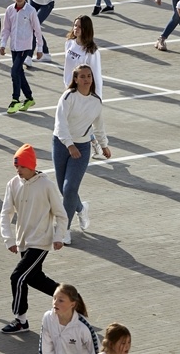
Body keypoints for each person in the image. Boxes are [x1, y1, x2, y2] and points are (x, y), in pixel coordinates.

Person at [0, 143, 68, 334]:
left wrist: (59, 236)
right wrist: (9, 239)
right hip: (23, 241)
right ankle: (71, 299)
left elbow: (61, 214)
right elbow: (5, 214)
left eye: (22, 166)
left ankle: (21, 320)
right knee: (34, 278)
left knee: (18, 277)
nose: (18, 170)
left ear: (31, 165)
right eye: (16, 167)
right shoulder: (13, 184)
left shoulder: (46, 185)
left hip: (40, 241)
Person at [53, 64, 111, 245]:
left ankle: (64, 229)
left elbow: (98, 126)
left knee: (70, 189)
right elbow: (60, 124)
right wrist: (70, 145)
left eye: (89, 76)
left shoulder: (96, 101)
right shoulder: (68, 97)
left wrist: (104, 146)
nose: (86, 79)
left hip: (83, 147)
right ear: (76, 79)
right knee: (64, 189)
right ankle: (81, 208)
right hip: (61, 144)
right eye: (82, 76)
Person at [64, 15, 106, 160]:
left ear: (86, 29)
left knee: (83, 122)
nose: (76, 29)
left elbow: (96, 75)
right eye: (75, 25)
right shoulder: (69, 43)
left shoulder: (92, 52)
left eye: (80, 27)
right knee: (71, 121)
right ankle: (93, 143)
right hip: (70, 90)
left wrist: (97, 96)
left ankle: (96, 144)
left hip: (85, 93)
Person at [0, 0, 44, 114]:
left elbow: (37, 30)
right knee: (19, 72)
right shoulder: (9, 10)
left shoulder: (30, 11)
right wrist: (3, 44)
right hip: (14, 47)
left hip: (25, 46)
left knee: (14, 71)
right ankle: (29, 98)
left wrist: (39, 48)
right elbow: (6, 29)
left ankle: (15, 99)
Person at [39, 283, 99, 353]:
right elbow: (45, 349)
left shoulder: (83, 326)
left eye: (61, 300)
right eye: (54, 298)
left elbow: (96, 350)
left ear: (72, 304)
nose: (55, 303)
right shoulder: (48, 318)